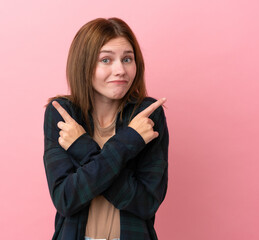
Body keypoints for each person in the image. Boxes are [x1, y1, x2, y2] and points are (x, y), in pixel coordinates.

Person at [43, 17, 169, 240]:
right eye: (106, 60)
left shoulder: (147, 117)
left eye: (127, 59)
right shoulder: (63, 114)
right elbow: (66, 199)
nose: (120, 70)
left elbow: (146, 203)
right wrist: (129, 142)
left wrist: (82, 148)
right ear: (84, 64)